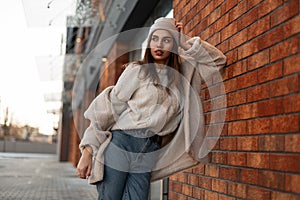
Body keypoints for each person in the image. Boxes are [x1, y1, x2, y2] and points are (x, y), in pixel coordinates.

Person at [76, 17, 226, 200]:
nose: (159, 44)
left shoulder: (185, 72)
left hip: (150, 148)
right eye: (155, 38)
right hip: (122, 142)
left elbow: (218, 61)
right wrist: (87, 151)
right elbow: (107, 110)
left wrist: (184, 42)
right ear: (148, 42)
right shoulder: (137, 71)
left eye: (167, 39)